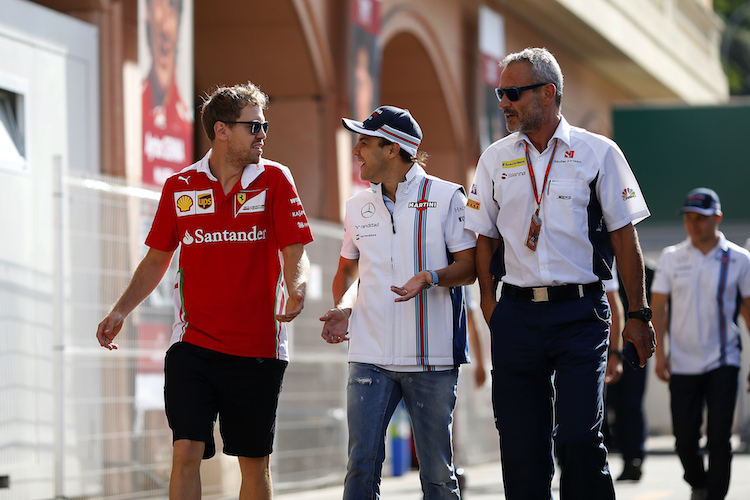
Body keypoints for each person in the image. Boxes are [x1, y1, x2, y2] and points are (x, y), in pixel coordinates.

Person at [96, 82, 313, 500]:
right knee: (185, 453)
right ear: (221, 130)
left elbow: (294, 251)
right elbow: (157, 259)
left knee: (254, 464)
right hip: (193, 346)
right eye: (254, 126)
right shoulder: (180, 186)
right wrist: (120, 310)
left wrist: (297, 286)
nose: (263, 134)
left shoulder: (275, 179)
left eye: (264, 125)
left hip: (258, 349)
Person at [464, 47, 656, 500]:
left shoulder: (599, 152)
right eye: (499, 93)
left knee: (578, 437)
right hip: (516, 317)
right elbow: (483, 238)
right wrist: (491, 306)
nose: (503, 103)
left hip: (580, 315)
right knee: (521, 445)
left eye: (512, 93)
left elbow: (625, 238)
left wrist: (639, 314)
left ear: (547, 93)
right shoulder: (494, 158)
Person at [320, 105, 477, 499]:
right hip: (369, 353)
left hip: (432, 358)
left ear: (393, 149)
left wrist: (431, 277)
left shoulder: (447, 197)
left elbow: (471, 267)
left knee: (438, 475)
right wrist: (344, 306)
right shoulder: (357, 206)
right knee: (360, 467)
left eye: (364, 143)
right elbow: (348, 272)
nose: (357, 150)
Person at [651, 187, 750, 500]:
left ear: (717, 218)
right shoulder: (671, 257)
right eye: (689, 218)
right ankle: (699, 482)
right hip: (682, 363)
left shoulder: (739, 259)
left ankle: (716, 494)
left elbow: (748, 311)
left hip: (724, 360)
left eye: (701, 219)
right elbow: (658, 309)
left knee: (720, 437)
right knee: (684, 440)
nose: (694, 224)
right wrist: (660, 355)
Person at [142, 0, 193, 186]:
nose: (165, 30)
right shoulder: (134, 106)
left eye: (172, 9)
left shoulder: (186, 117)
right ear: (147, 14)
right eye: (158, 7)